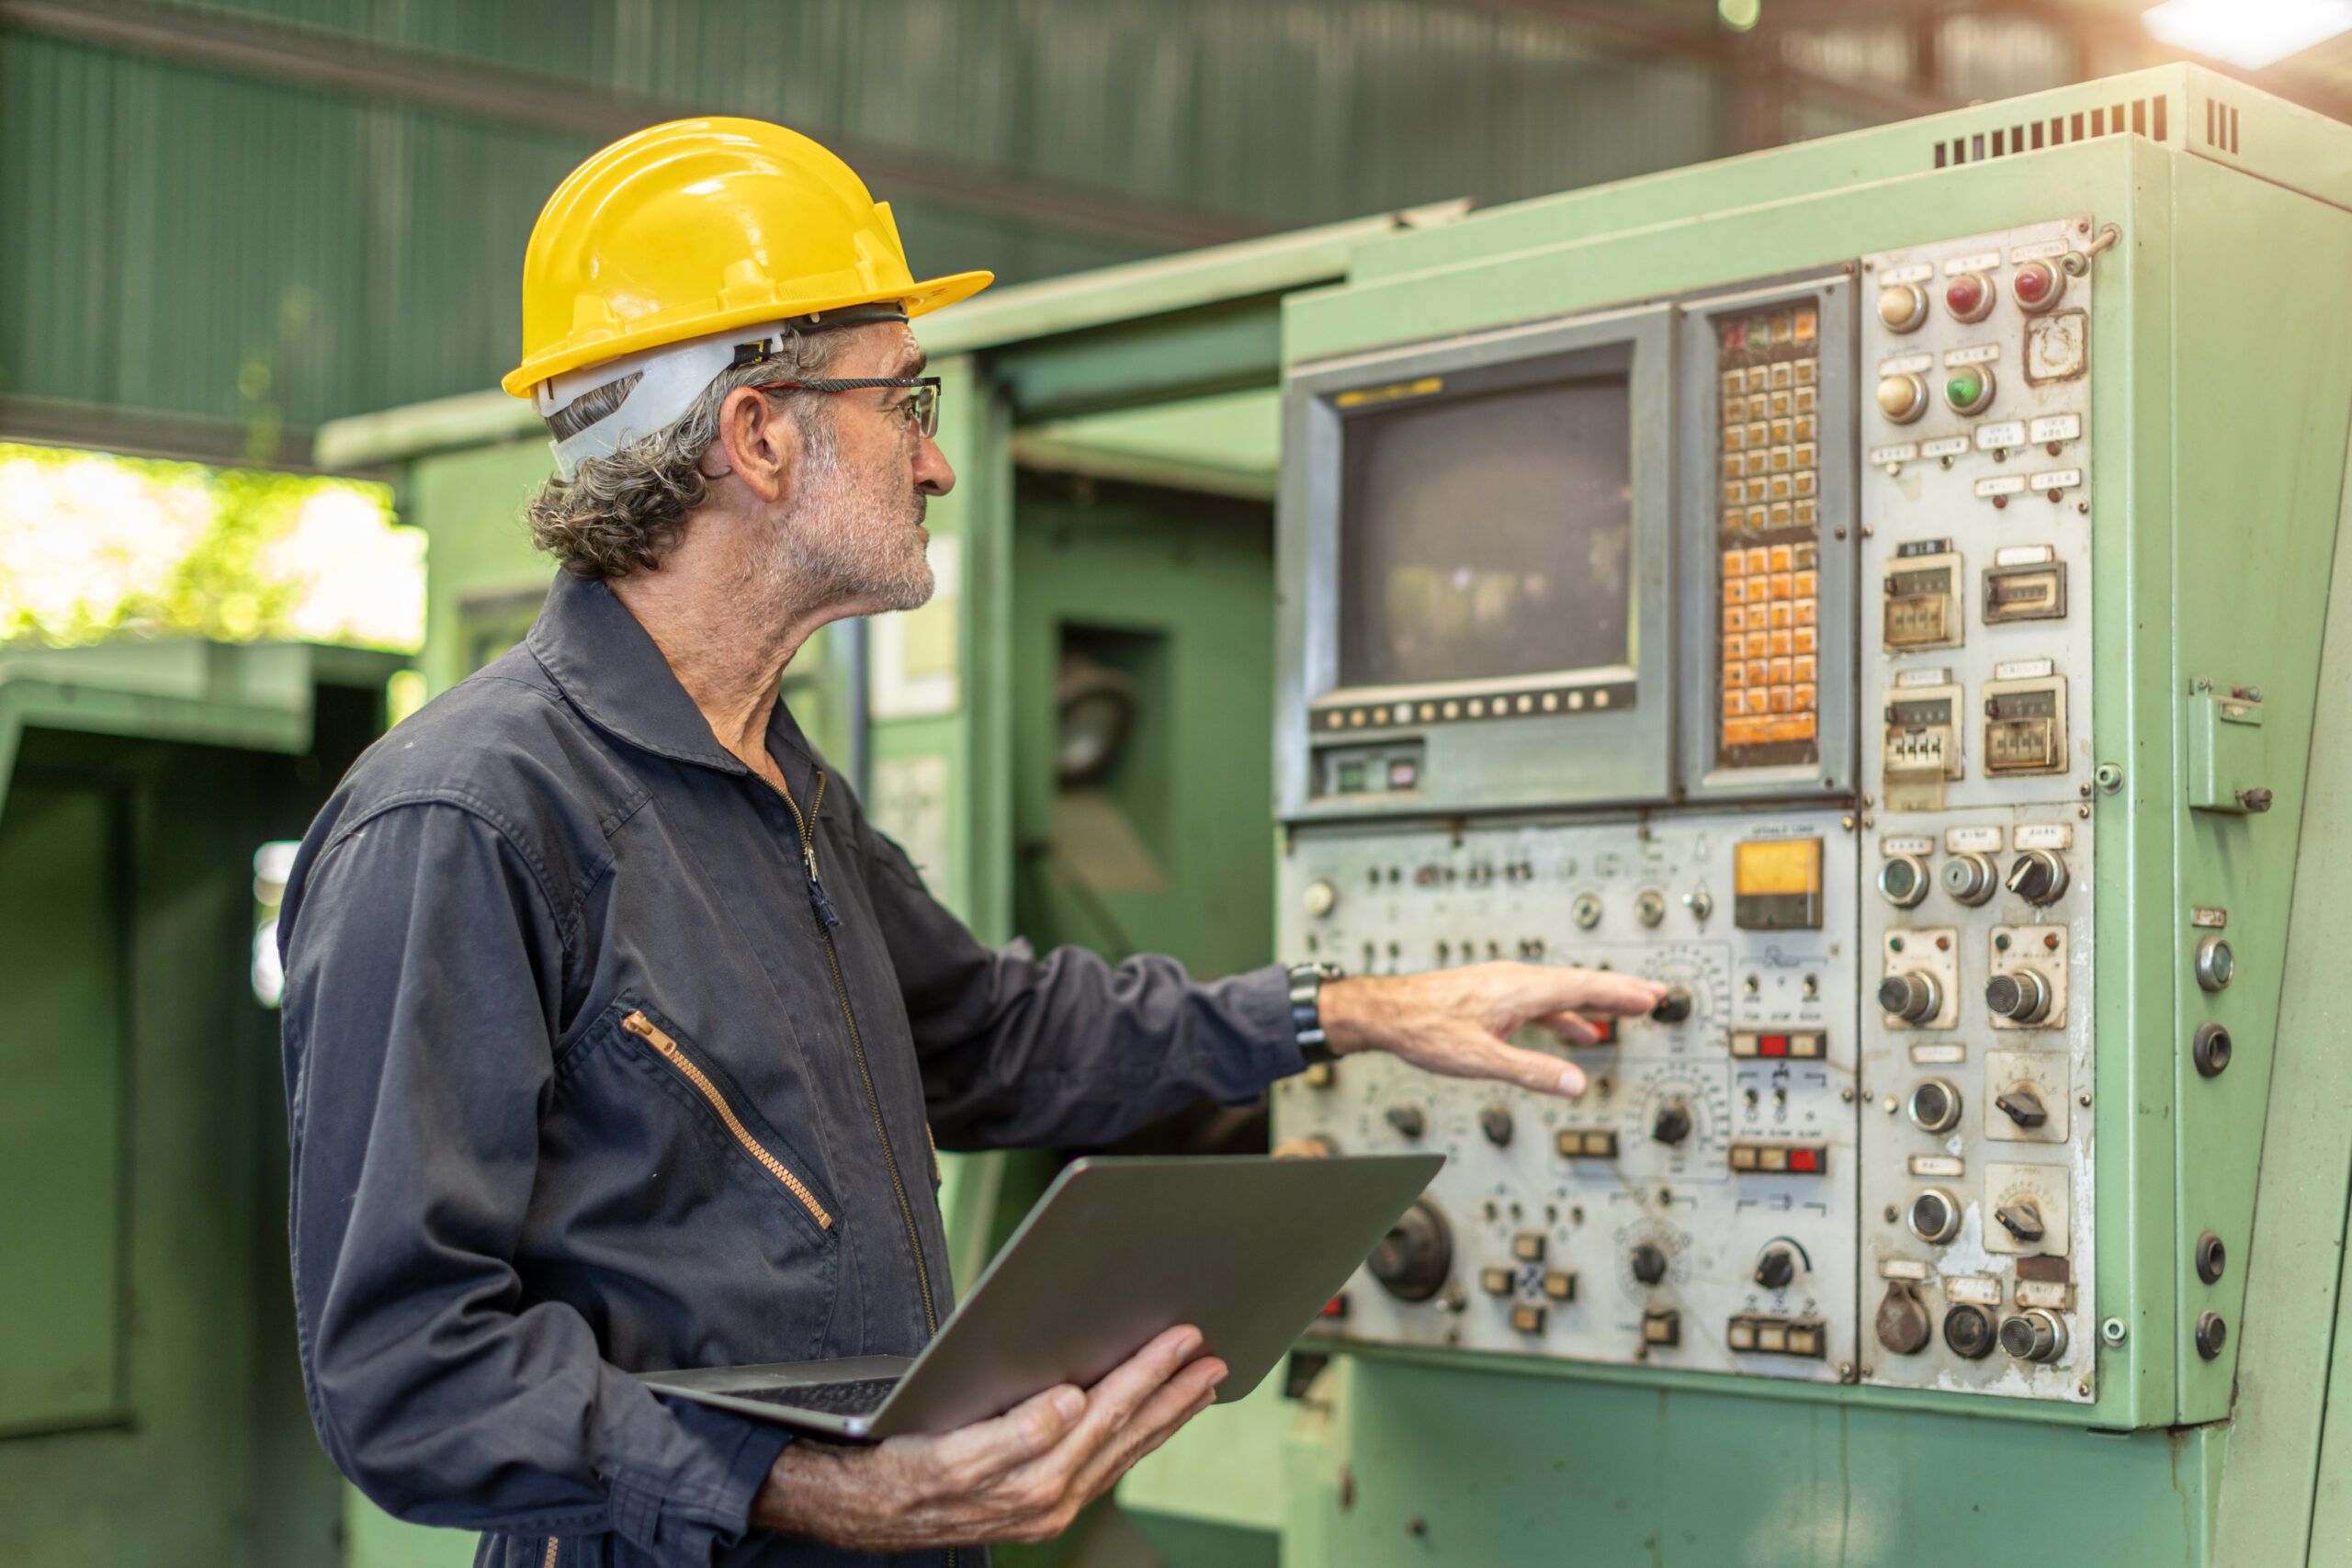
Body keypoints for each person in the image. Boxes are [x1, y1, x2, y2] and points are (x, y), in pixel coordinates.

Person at [277, 118, 1665, 1568]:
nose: (937, 463)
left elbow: (993, 1037)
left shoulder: (778, 780)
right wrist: (824, 1491)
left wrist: (1356, 1013)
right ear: (758, 435)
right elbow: (406, 1379)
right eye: (905, 401)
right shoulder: (462, 822)